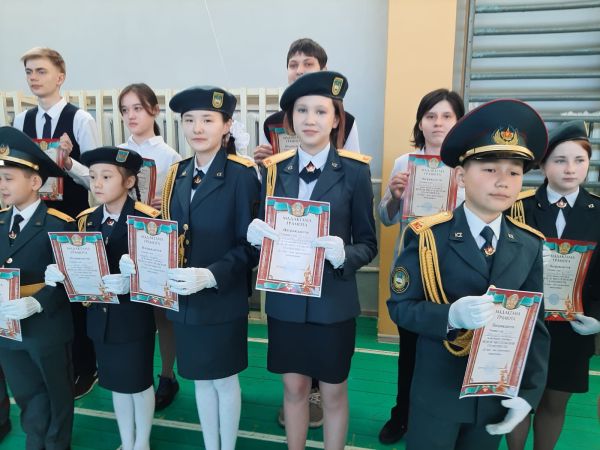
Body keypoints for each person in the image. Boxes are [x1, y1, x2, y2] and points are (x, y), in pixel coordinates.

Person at [386, 99, 551, 450]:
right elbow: (400, 306)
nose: (503, 181)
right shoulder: (428, 236)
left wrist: (529, 393)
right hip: (438, 395)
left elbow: (535, 325)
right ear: (461, 176)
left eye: (514, 172)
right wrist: (450, 316)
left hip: (493, 395)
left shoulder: (529, 244)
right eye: (489, 169)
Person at [247, 71, 377, 450]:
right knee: (294, 388)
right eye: (302, 110)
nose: (310, 119)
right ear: (290, 120)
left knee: (333, 392)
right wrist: (254, 238)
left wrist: (344, 253)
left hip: (332, 303)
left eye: (321, 111)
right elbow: (267, 238)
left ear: (336, 120)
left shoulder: (355, 171)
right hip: (286, 302)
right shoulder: (274, 170)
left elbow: (368, 243)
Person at [128, 86, 259, 450]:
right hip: (184, 298)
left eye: (208, 120)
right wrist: (142, 257)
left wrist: (212, 274)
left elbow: (252, 245)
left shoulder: (242, 175)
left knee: (224, 380)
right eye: (189, 120)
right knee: (200, 378)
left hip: (221, 296)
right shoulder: (178, 173)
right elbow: (170, 234)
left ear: (226, 125)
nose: (197, 128)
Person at [45, 147, 159, 450]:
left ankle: (142, 442)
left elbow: (159, 273)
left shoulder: (147, 219)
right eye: (93, 176)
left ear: (129, 181)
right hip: (99, 319)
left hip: (133, 319)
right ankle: (126, 440)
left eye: (107, 177)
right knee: (117, 386)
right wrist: (61, 274)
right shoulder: (86, 220)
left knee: (139, 383)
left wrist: (131, 281)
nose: (97, 183)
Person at [378, 88, 465, 444]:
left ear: (459, 122)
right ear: (420, 122)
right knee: (409, 352)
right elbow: (385, 218)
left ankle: (444, 419)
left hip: (452, 274)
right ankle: (402, 415)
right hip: (413, 273)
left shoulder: (468, 166)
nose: (438, 123)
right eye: (430, 116)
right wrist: (395, 196)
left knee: (450, 351)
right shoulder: (405, 163)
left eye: (446, 116)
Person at [506, 120, 600, 450]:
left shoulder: (598, 212)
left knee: (555, 403)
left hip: (574, 327)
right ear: (543, 165)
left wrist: (598, 318)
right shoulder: (517, 209)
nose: (570, 169)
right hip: (524, 324)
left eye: (579, 160)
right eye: (560, 160)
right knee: (518, 400)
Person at [13, 46, 100, 399]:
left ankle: (85, 366)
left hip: (69, 222)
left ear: (60, 76)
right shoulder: (21, 122)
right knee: (38, 290)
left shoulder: (80, 120)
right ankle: (44, 362)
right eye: (29, 72)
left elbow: (96, 179)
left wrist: (69, 164)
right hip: (33, 222)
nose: (34, 78)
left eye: (41, 71)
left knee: (73, 294)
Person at [0, 126, 76, 450]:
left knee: (56, 393)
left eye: (8, 178)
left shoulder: (59, 224)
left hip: (46, 327)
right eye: (0, 178)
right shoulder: (0, 222)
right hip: (7, 326)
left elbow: (72, 280)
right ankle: (35, 441)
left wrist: (38, 301)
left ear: (34, 182)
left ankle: (57, 444)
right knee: (26, 392)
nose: (2, 185)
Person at [118, 83, 182, 410]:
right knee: (128, 309)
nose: (131, 115)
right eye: (125, 110)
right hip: (122, 237)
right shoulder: (117, 151)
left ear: (154, 110)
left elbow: (179, 205)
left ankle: (167, 375)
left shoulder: (169, 155)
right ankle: (134, 372)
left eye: (138, 108)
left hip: (155, 240)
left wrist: (164, 202)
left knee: (161, 313)